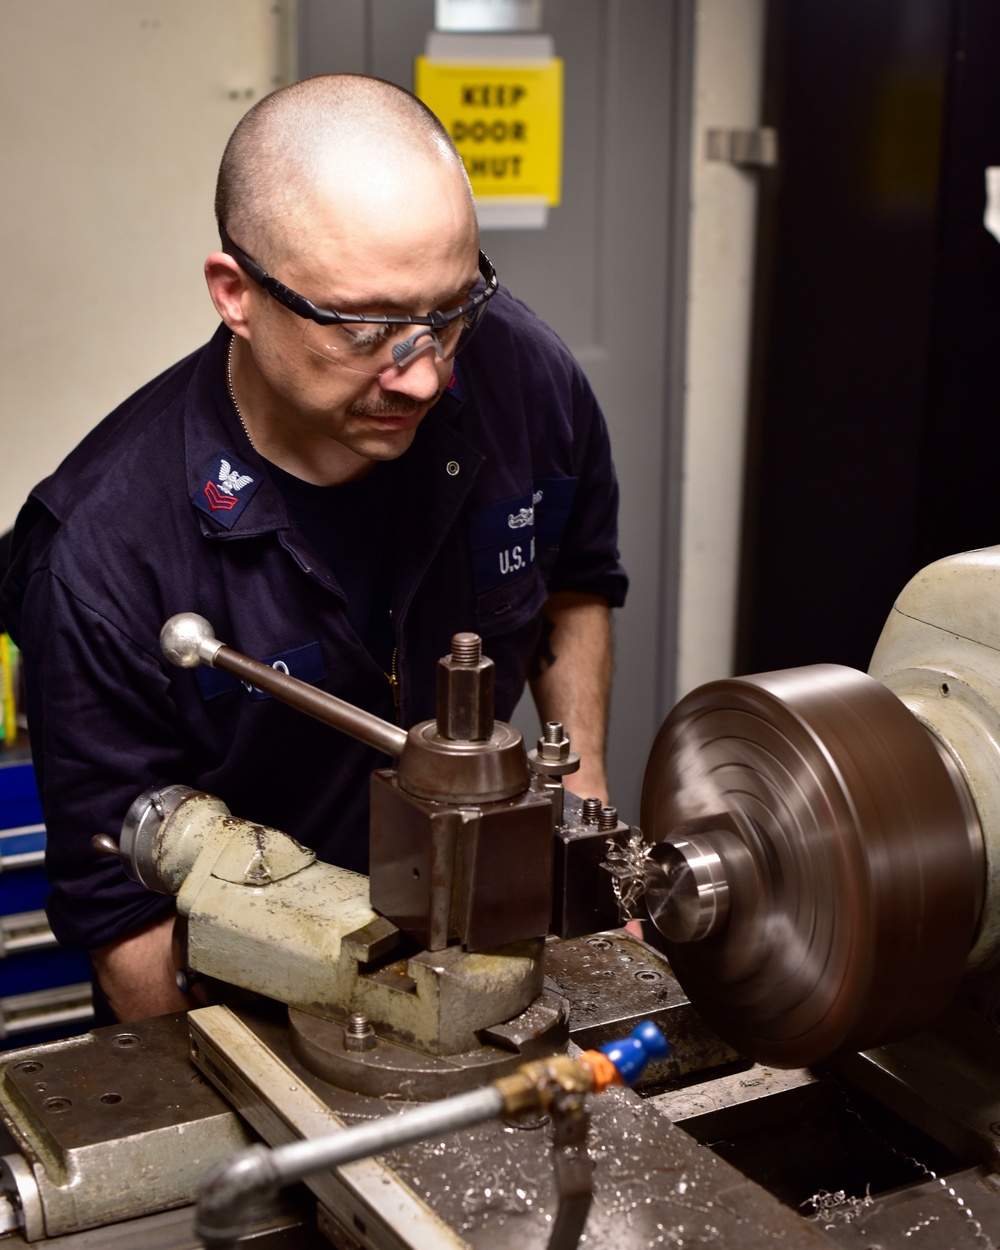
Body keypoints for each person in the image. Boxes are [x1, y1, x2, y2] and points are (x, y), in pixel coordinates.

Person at [0, 75, 627, 1022]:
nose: (425, 374)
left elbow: (574, 585)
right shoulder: (99, 557)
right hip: (258, 1021)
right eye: (366, 327)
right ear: (236, 295)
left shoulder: (525, 379)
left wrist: (580, 812)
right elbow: (128, 940)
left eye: (453, 309)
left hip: (492, 959)